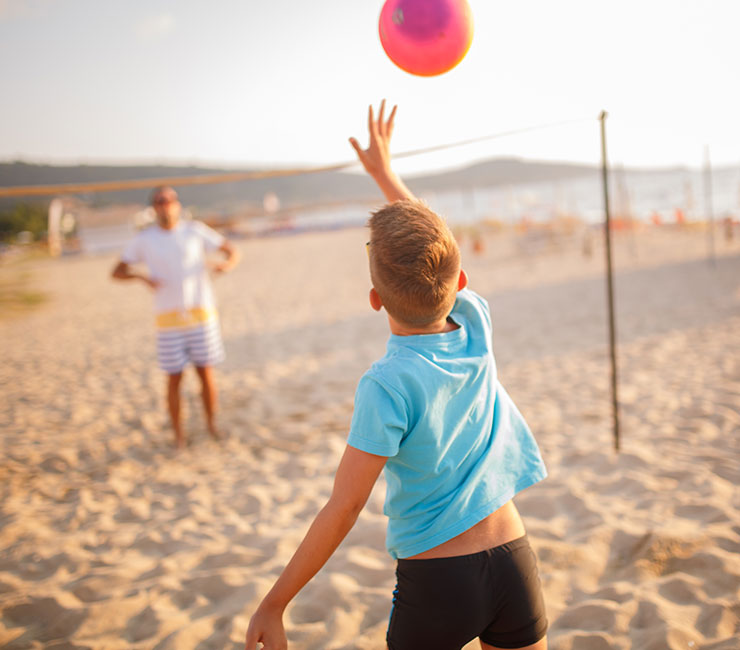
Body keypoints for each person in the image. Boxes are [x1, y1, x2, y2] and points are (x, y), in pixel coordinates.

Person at [245, 101, 548, 650]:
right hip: (514, 557)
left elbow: (344, 506)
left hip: (438, 581)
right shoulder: (475, 321)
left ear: (373, 299)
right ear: (460, 282)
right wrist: (386, 175)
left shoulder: (385, 385)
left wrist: (275, 602)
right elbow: (439, 246)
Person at [111, 186, 239, 449]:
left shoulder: (195, 230)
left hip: (201, 314)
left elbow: (232, 251)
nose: (166, 205)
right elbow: (117, 271)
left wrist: (226, 265)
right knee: (174, 378)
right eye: (160, 201)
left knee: (206, 374)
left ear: (178, 205)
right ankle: (179, 436)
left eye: (170, 200)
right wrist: (140, 277)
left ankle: (212, 426)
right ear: (154, 207)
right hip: (168, 320)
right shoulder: (145, 239)